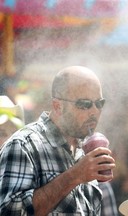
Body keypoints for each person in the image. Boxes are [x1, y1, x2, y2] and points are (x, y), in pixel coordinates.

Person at [0, 66, 116, 215]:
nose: (94, 111)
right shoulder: (24, 145)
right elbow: (10, 212)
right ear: (57, 106)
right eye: (84, 104)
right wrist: (75, 175)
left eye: (99, 103)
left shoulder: (84, 153)